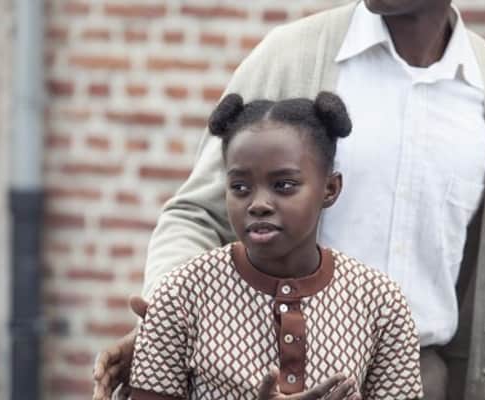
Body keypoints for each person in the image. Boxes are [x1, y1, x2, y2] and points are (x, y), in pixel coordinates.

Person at [93, 1, 485, 399]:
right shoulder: (289, 56)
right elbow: (197, 214)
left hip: (420, 378)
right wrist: (167, 325)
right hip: (267, 373)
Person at [128, 92, 423, 399]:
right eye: (240, 187)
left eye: (283, 185)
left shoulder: (379, 302)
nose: (258, 204)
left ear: (330, 189)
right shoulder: (182, 295)